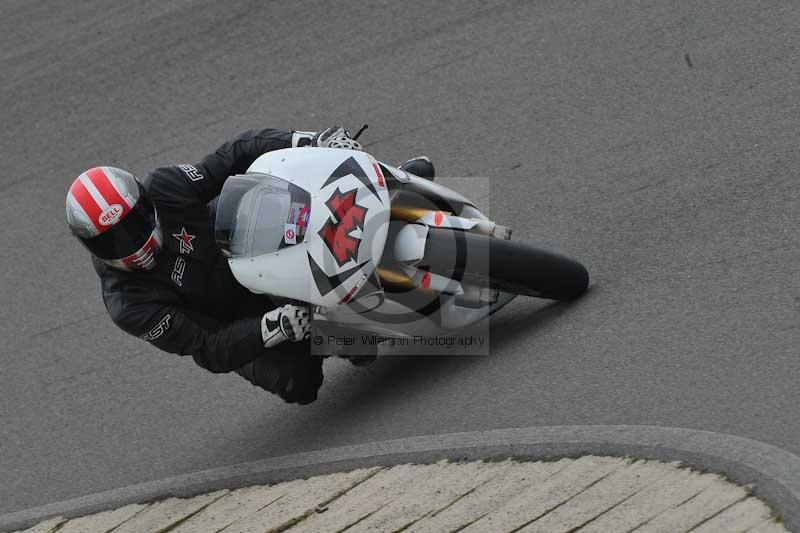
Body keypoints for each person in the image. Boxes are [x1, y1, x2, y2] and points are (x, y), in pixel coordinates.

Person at [66, 127, 434, 404]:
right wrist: (273, 328)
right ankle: (337, 333)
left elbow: (234, 154)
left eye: (134, 222)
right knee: (300, 385)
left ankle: (391, 183)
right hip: (236, 320)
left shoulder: (165, 186)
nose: (132, 242)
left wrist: (309, 141)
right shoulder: (128, 304)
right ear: (91, 247)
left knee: (272, 190)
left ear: (144, 201)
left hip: (251, 243)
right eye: (113, 240)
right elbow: (206, 348)